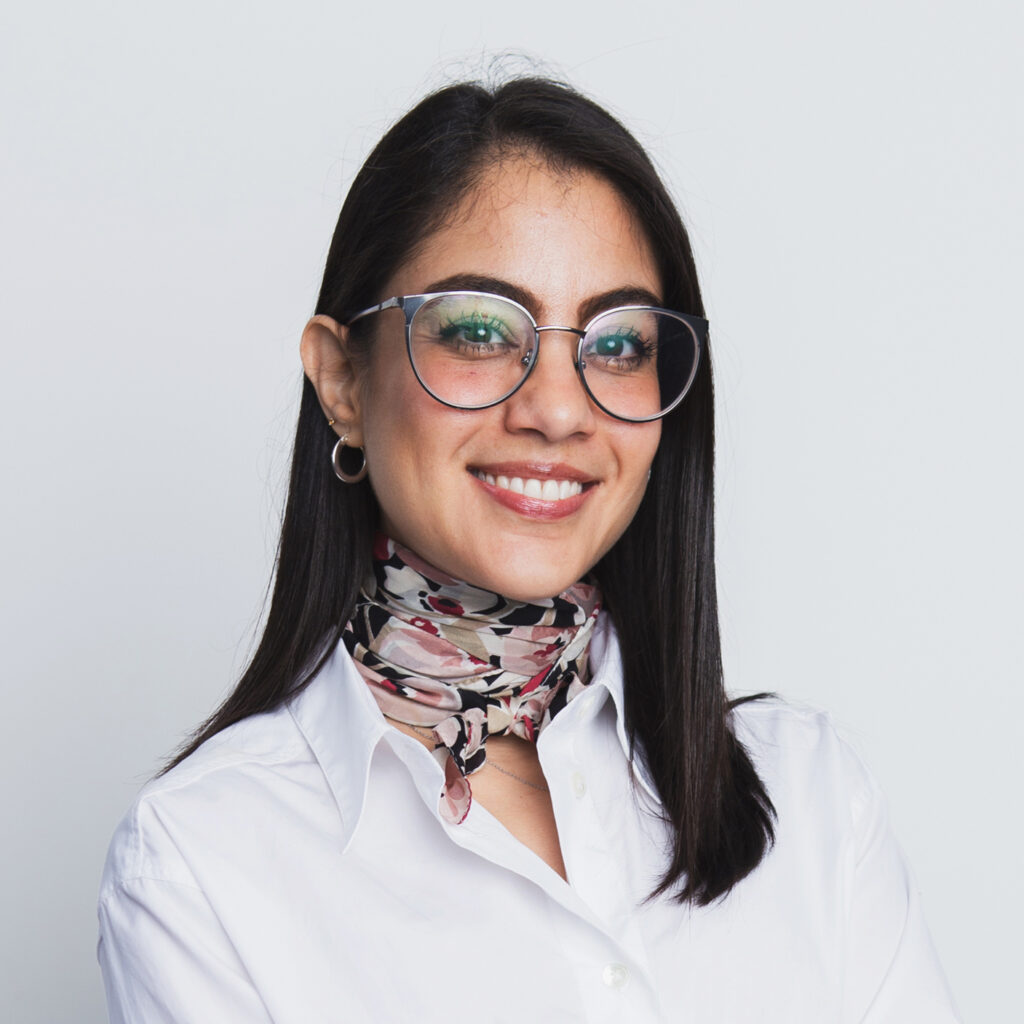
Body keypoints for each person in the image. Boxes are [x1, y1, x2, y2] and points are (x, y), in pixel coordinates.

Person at [97, 76, 960, 1022]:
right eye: (479, 330)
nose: (557, 409)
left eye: (619, 346)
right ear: (342, 381)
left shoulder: (812, 797)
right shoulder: (203, 862)